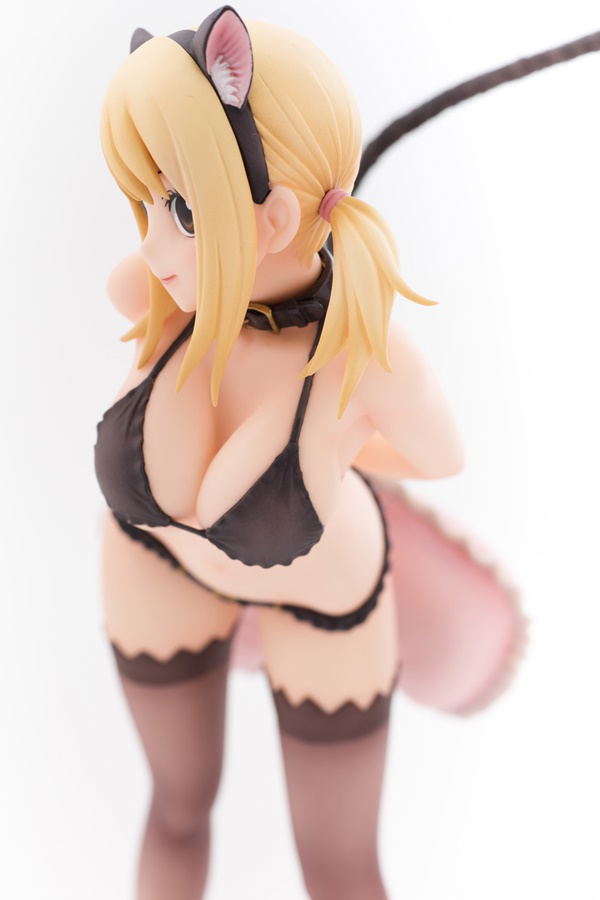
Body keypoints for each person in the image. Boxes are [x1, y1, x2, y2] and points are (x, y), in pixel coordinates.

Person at [94, 7, 525, 898]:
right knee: (175, 808)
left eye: (182, 209)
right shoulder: (168, 290)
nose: (153, 244)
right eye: (152, 203)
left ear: (277, 214)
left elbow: (440, 455)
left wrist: (345, 435)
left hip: (323, 605)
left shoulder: (363, 356)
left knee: (338, 867)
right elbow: (126, 289)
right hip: (155, 564)